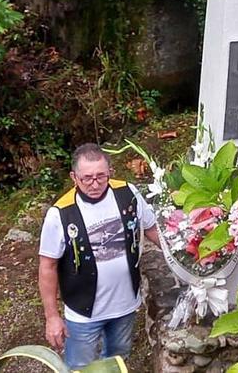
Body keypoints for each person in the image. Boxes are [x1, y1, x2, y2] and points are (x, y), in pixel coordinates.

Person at [39, 143, 159, 368]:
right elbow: (48, 266)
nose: (95, 184)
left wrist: (181, 255)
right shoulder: (61, 213)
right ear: (74, 177)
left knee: (117, 360)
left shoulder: (128, 193)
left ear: (110, 172)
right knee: (79, 367)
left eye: (101, 177)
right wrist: (52, 317)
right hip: (83, 313)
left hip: (125, 306)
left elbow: (152, 229)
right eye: (87, 178)